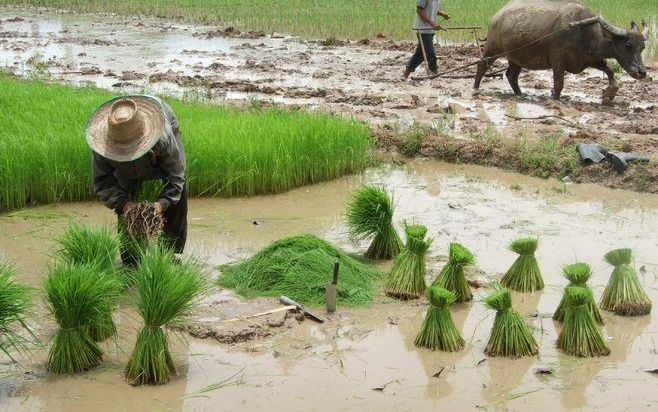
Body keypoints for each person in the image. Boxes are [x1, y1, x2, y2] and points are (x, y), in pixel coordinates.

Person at [85, 95, 187, 265]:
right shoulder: (101, 146)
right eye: (123, 151)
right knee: (125, 199)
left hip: (160, 141)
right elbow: (102, 181)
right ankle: (131, 259)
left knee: (178, 196)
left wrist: (160, 204)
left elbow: (177, 176)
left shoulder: (163, 138)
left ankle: (168, 253)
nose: (129, 153)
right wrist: (126, 206)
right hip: (124, 169)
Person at [403, 0, 450, 79]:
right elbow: (420, 10)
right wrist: (433, 24)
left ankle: (406, 74)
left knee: (420, 54)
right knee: (431, 54)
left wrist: (442, 14)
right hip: (422, 29)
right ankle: (435, 75)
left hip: (430, 30)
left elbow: (431, 9)